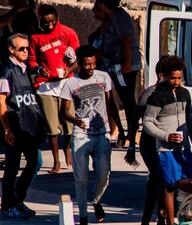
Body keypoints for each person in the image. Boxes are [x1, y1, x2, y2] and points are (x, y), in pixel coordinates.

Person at [143, 56, 192, 225]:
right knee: (169, 187)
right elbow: (147, 122)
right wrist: (165, 136)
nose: (176, 81)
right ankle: (170, 222)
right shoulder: (157, 96)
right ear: (163, 75)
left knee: (186, 186)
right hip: (165, 150)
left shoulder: (185, 93)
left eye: (179, 77)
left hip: (184, 148)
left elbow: (190, 122)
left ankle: (186, 220)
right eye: (173, 77)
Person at [60, 45, 112, 225]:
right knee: (80, 178)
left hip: (101, 133)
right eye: (86, 64)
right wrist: (76, 121)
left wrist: (117, 129)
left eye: (93, 64)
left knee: (104, 174)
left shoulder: (103, 77)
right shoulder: (71, 83)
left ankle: (97, 200)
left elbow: (110, 103)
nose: (90, 67)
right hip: (81, 134)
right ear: (79, 64)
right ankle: (83, 215)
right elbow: (64, 112)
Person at [28, 4, 80, 174]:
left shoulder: (68, 32)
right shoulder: (35, 37)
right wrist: (38, 69)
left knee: (69, 123)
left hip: (66, 83)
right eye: (45, 23)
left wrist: (68, 71)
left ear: (57, 18)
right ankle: (56, 161)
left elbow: (78, 60)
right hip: (45, 86)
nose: (49, 25)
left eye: (52, 21)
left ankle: (68, 151)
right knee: (52, 127)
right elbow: (32, 60)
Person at [0, 33, 45, 219]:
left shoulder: (24, 69)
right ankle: (8, 205)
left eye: (27, 48)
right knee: (12, 166)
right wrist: (7, 129)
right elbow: (1, 102)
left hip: (29, 127)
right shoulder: (6, 71)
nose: (26, 51)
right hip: (15, 127)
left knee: (35, 162)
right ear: (11, 50)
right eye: (21, 49)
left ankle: (18, 199)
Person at [92, 0, 142, 147]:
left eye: (97, 6)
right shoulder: (111, 19)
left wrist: (126, 64)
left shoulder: (120, 17)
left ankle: (132, 135)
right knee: (115, 98)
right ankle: (122, 132)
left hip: (122, 67)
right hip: (113, 66)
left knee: (128, 100)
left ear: (103, 5)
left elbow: (126, 41)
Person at [125, 56, 167, 225]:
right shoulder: (150, 93)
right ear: (162, 74)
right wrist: (131, 147)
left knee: (161, 181)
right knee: (158, 179)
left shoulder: (176, 92)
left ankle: (159, 219)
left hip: (165, 144)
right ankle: (150, 219)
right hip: (149, 144)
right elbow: (135, 120)